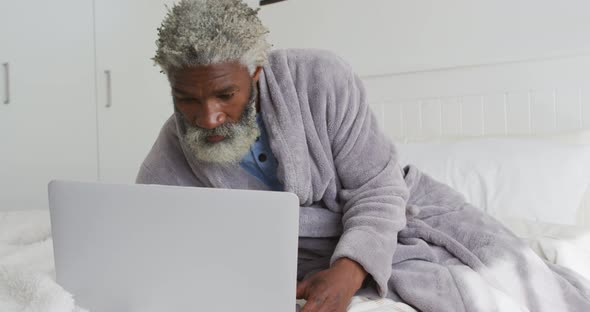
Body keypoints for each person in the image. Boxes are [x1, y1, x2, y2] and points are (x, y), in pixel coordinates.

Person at [137, 1, 590, 312]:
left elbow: (377, 186)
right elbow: (157, 242)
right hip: (296, 260)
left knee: (523, 280)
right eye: (187, 99)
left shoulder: (319, 79)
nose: (208, 117)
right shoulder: (171, 151)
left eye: (224, 94)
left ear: (256, 71)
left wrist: (351, 270)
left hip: (397, 212)